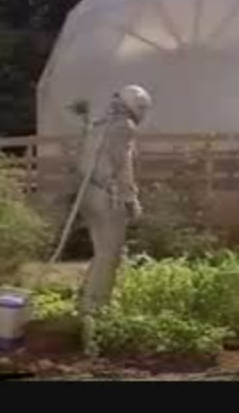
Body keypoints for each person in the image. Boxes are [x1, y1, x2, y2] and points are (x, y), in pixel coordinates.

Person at [76, 85, 152, 314]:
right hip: (108, 195)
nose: (143, 113)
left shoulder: (99, 124)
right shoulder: (123, 126)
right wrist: (131, 199)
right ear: (134, 106)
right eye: (142, 108)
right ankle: (96, 307)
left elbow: (83, 162)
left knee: (101, 251)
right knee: (110, 254)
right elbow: (123, 165)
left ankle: (86, 299)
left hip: (88, 192)